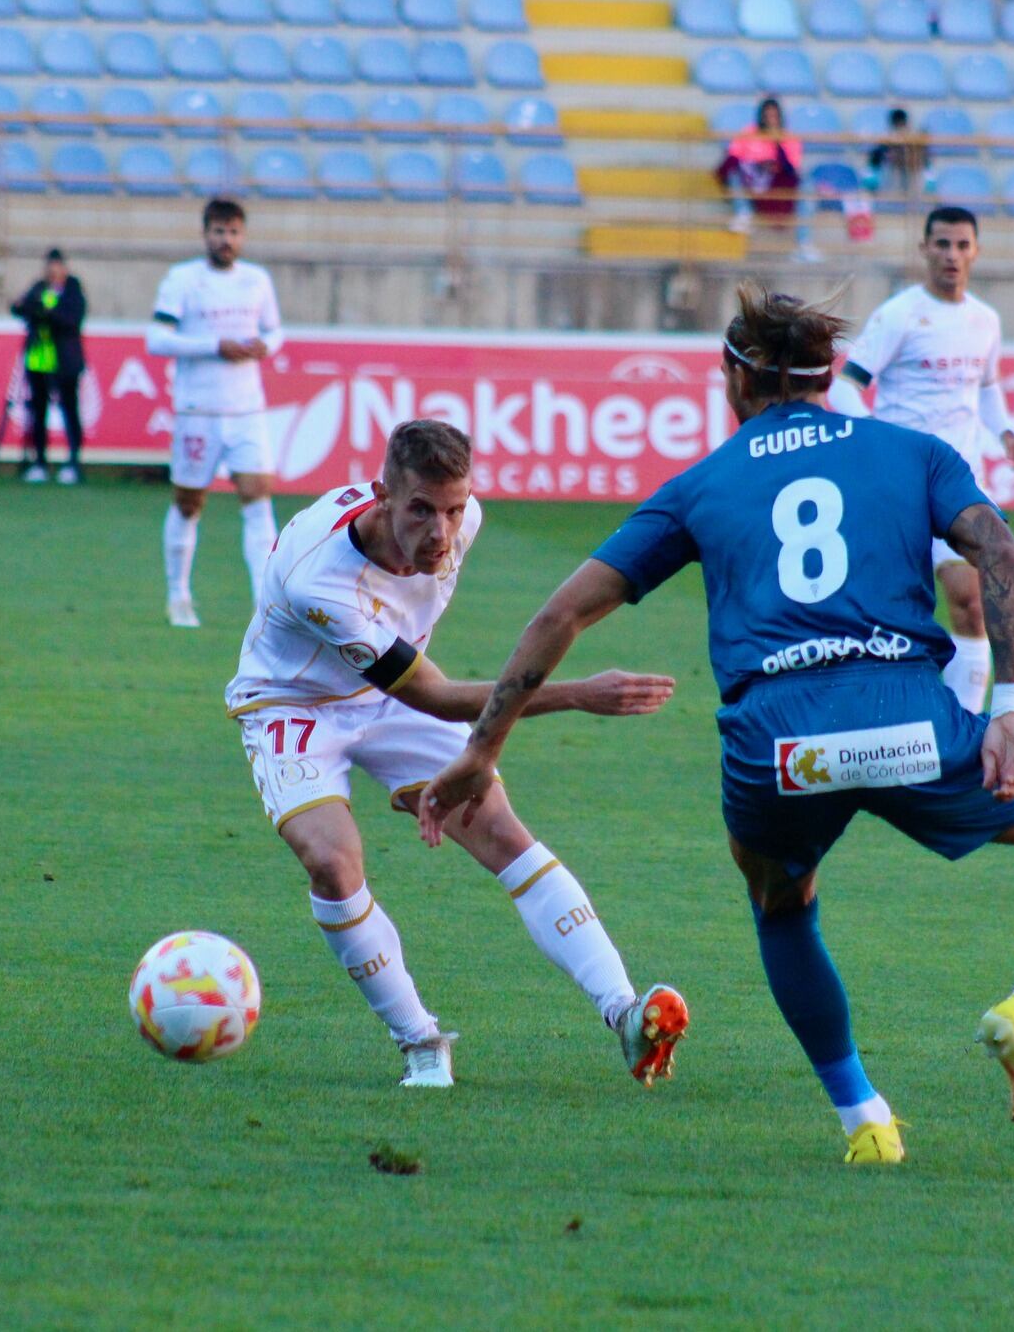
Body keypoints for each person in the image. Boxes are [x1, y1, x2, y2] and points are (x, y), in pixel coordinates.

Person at [419, 286, 1014, 1166]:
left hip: (779, 749)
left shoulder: (702, 485)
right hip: (909, 724)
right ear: (832, 374)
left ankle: (864, 1118)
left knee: (781, 902)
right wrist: (1011, 712)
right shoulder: (911, 451)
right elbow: (996, 547)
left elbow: (560, 616)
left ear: (735, 378)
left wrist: (482, 749)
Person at [226, 419, 690, 1090]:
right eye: (420, 510)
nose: (441, 531)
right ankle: (419, 1039)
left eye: (451, 508)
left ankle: (623, 1013)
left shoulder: (465, 517)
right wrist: (579, 693)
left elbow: (421, 679)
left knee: (502, 830)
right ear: (383, 494)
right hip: (293, 702)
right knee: (331, 861)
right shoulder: (319, 582)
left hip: (390, 695)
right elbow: (440, 695)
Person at [828, 207, 1014, 716]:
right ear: (924, 249)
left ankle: (963, 723)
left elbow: (985, 386)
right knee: (888, 612)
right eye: (942, 244)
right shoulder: (900, 314)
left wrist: (1004, 431)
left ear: (976, 252)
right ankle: (881, 711)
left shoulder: (985, 321)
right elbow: (844, 386)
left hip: (958, 484)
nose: (952, 255)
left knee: (971, 602)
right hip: (900, 486)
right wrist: (880, 440)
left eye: (962, 245)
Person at [146, 199, 283, 629]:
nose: (226, 240)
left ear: (243, 236)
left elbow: (275, 330)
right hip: (198, 410)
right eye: (219, 232)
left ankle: (266, 605)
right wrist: (215, 345)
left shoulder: (257, 280)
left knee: (258, 499)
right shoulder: (184, 279)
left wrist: (267, 346)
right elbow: (156, 338)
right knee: (189, 503)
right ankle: (178, 596)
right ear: (205, 234)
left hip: (246, 409)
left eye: (234, 232)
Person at [10, 249, 87, 485]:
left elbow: (72, 320)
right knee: (38, 411)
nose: (53, 273)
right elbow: (20, 308)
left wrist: (47, 313)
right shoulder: (38, 289)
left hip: (65, 362)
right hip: (38, 360)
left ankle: (73, 462)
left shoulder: (73, 292)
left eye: (57, 268)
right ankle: (40, 462)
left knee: (69, 410)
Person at [718, 98, 819, 263]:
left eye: (774, 115)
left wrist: (777, 144)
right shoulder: (749, 132)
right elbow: (733, 157)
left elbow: (792, 170)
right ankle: (743, 213)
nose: (771, 119)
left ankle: (804, 243)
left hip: (777, 184)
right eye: (767, 115)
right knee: (733, 173)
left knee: (808, 186)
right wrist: (757, 166)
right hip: (752, 182)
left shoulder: (789, 137)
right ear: (762, 116)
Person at [864, 108, 927, 200]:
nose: (900, 128)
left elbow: (924, 161)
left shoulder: (914, 140)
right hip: (891, 176)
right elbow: (873, 161)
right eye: (898, 124)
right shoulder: (886, 140)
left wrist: (908, 157)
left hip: (912, 177)